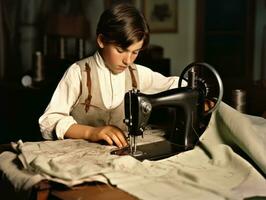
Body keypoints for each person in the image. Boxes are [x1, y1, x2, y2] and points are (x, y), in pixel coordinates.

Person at [39, 4, 181, 148]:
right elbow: (48, 122)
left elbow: (174, 84)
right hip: (79, 157)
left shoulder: (138, 74)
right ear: (101, 40)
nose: (128, 60)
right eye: (121, 50)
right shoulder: (78, 73)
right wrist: (91, 133)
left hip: (119, 159)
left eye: (135, 52)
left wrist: (200, 96)